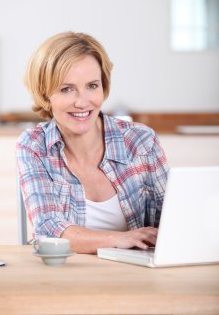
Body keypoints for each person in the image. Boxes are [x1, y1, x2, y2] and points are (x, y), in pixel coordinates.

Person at [16, 31, 169, 254]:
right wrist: (122, 238)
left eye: (92, 86)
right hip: (66, 279)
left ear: (103, 86)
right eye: (66, 89)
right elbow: (49, 230)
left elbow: (171, 220)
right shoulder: (34, 146)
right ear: (45, 93)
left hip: (138, 277)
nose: (82, 102)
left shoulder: (140, 141)